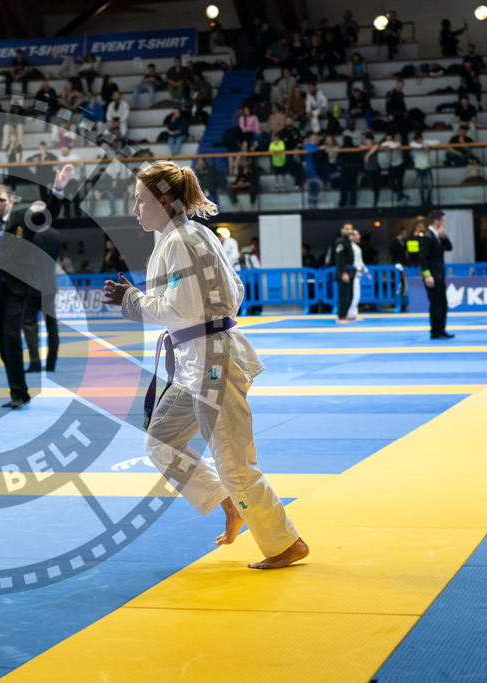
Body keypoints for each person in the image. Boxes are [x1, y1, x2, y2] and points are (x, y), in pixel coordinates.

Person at [101, 160, 307, 570]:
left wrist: (131, 300)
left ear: (164, 200)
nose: (136, 208)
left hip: (213, 361)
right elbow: (234, 291)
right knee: (161, 440)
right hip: (199, 360)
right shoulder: (193, 235)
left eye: (141, 200)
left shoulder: (180, 240)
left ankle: (284, 543)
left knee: (232, 459)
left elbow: (183, 307)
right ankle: (229, 503)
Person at [0, 168, 73, 409]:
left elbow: (48, 215)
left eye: (1, 200)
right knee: (3, 345)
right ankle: (21, 390)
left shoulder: (22, 218)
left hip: (17, 290)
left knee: (11, 336)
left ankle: (17, 393)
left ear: (10, 201)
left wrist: (57, 190)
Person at [22, 222, 61, 372]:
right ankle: (51, 363)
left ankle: (34, 361)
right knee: (52, 325)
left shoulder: (29, 235)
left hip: (32, 285)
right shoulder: (55, 235)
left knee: (29, 324)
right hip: (50, 285)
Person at [420, 209, 454, 339]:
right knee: (435, 304)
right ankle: (435, 331)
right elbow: (423, 258)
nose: (444, 223)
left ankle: (441, 329)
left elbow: (450, 248)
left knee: (442, 303)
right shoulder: (428, 237)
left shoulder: (438, 236)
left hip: (439, 274)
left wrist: (444, 237)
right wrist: (427, 275)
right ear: (437, 221)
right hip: (432, 276)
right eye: (443, 221)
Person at [333, 222, 356, 324]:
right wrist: (343, 273)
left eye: (350, 229)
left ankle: (344, 315)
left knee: (350, 295)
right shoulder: (340, 241)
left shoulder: (348, 242)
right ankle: (340, 317)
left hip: (350, 271)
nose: (349, 231)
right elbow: (339, 259)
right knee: (343, 295)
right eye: (347, 229)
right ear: (342, 230)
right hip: (343, 272)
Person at [347, 228, 370, 321]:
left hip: (357, 274)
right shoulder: (350, 247)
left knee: (356, 295)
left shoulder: (356, 247)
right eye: (357, 234)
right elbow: (355, 263)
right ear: (351, 236)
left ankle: (353, 314)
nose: (359, 236)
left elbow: (360, 263)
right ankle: (351, 314)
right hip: (352, 274)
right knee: (353, 295)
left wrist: (365, 273)